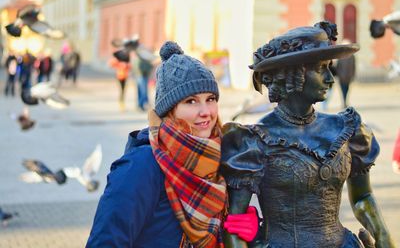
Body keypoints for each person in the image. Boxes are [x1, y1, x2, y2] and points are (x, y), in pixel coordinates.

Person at [220, 22, 395, 247]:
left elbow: (362, 197)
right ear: (293, 74)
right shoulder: (252, 141)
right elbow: (235, 224)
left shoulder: (347, 129)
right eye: (321, 68)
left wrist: (383, 236)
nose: (330, 79)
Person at [86, 41, 259, 248]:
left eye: (210, 99)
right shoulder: (141, 166)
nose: (205, 111)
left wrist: (248, 230)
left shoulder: (221, 158)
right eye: (191, 101)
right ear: (170, 110)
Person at [335, 39, 356, 108]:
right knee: (343, 90)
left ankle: (345, 101)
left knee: (346, 90)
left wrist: (353, 75)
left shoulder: (352, 56)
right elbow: (338, 66)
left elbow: (353, 67)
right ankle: (344, 102)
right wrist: (338, 74)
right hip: (341, 77)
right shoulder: (340, 55)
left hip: (348, 77)